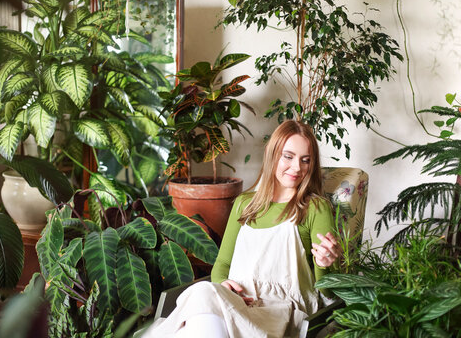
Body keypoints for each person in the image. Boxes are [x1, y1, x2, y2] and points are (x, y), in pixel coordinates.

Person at [144, 121, 341, 338]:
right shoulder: (244, 203)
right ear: (272, 154)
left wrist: (324, 265)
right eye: (288, 156)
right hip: (237, 302)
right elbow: (222, 265)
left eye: (306, 160)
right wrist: (223, 284)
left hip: (279, 313)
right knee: (203, 293)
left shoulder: (315, 208)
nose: (297, 168)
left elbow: (327, 293)